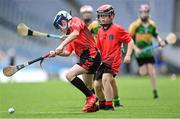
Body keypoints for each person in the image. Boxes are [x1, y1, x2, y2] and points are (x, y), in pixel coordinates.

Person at [49, 10, 101, 112]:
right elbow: (67, 52)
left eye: (59, 27)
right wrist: (56, 53)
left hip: (91, 55)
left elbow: (76, 33)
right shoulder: (71, 36)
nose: (60, 30)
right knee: (88, 85)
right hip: (86, 57)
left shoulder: (75, 21)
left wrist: (61, 45)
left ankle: (90, 98)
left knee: (69, 75)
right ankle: (93, 105)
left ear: (63, 22)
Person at [80, 5, 122, 108]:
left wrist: (119, 45)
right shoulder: (89, 27)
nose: (87, 15)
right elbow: (83, 37)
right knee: (95, 82)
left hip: (106, 55)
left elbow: (117, 36)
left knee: (108, 79)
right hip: (93, 55)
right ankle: (99, 100)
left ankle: (114, 101)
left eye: (89, 13)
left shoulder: (98, 25)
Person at [94, 4, 134, 110]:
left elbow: (130, 41)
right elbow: (98, 49)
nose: (102, 18)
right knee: (97, 85)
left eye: (105, 16)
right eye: (100, 16)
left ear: (111, 16)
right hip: (103, 60)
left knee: (106, 79)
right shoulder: (99, 31)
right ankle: (102, 104)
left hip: (113, 60)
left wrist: (128, 55)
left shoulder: (117, 29)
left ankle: (109, 105)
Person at [128, 4, 165, 99]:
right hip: (139, 53)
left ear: (148, 13)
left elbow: (156, 35)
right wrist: (136, 49)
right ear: (139, 13)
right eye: (142, 12)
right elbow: (129, 39)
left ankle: (155, 92)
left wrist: (160, 41)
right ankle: (138, 73)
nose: (144, 14)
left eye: (145, 12)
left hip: (149, 52)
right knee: (143, 72)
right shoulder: (135, 25)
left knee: (152, 71)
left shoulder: (152, 24)